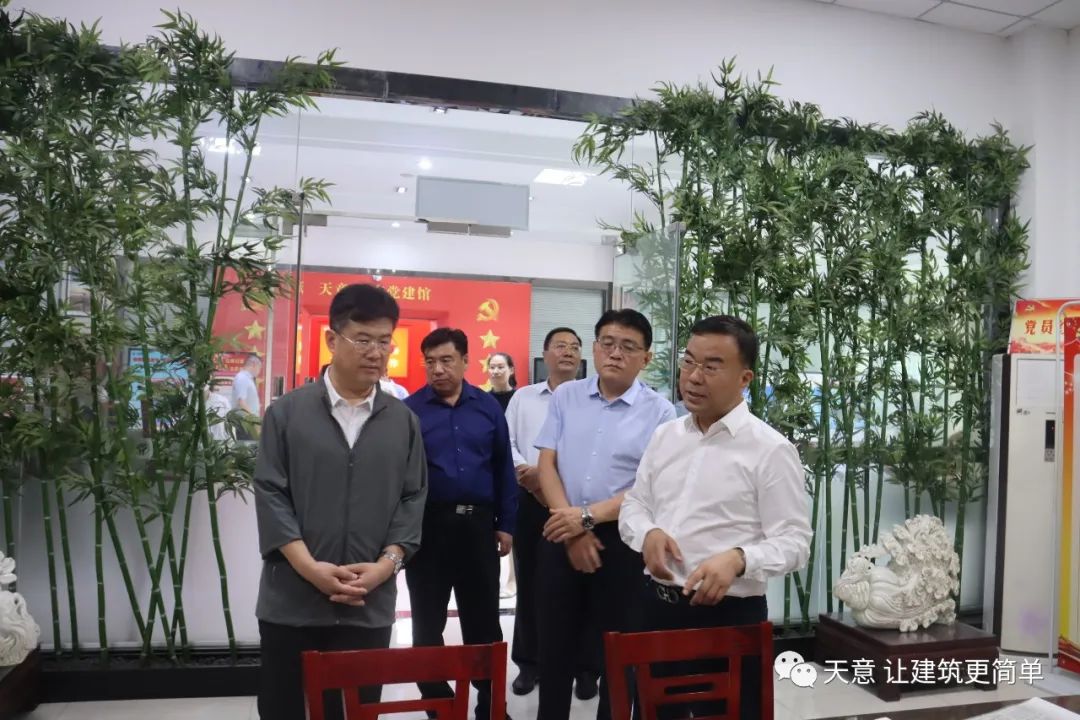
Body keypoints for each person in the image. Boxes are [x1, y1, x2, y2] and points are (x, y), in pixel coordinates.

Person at [620, 315, 812, 720]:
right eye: (689, 361)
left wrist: (739, 559)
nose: (693, 377)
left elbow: (795, 543)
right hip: (656, 609)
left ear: (745, 378)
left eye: (711, 366)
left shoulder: (770, 450)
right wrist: (647, 533)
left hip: (728, 619)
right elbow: (635, 505)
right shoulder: (666, 436)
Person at [253, 284, 428, 720]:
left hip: (367, 605)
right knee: (283, 709)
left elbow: (413, 498)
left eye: (384, 341)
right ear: (332, 340)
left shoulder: (403, 421)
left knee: (355, 712)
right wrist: (310, 569)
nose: (376, 352)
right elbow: (271, 493)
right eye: (363, 339)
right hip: (292, 602)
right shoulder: (287, 413)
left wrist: (385, 566)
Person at [534, 309, 677, 720]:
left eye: (628, 347)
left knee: (618, 647)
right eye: (608, 343)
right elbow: (547, 464)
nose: (615, 353)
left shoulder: (661, 413)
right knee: (554, 644)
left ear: (646, 358)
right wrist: (573, 528)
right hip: (561, 530)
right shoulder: (566, 396)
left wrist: (587, 519)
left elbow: (648, 487)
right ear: (594, 349)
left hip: (622, 540)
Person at [404, 328, 518, 720]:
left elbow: (503, 468)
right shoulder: (410, 411)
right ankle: (439, 703)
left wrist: (506, 524)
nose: (437, 369)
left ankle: (490, 704)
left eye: (446, 360)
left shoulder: (487, 408)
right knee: (426, 623)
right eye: (430, 362)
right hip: (428, 529)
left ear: (466, 361)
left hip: (478, 527)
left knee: (484, 623)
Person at [504, 327, 601, 700]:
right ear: (545, 354)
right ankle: (530, 663)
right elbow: (508, 442)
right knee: (531, 583)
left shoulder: (591, 399)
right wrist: (527, 474)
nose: (568, 352)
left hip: (578, 504)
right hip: (530, 501)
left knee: (585, 584)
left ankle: (586, 668)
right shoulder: (524, 397)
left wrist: (551, 479)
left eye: (575, 347)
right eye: (560, 345)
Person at [487, 352, 518, 599]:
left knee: (513, 528)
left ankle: (512, 581)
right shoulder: (483, 401)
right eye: (492, 367)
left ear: (511, 369)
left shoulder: (520, 399)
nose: (496, 371)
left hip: (518, 470)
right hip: (491, 471)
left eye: (501, 367)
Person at [231, 353, 262, 439]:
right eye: (259, 368)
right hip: (245, 423)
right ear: (254, 364)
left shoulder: (247, 379)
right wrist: (254, 421)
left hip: (248, 422)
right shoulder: (242, 378)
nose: (259, 371)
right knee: (247, 444)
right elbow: (242, 402)